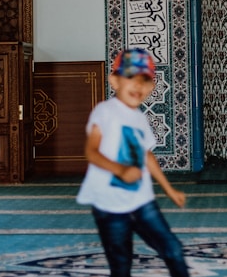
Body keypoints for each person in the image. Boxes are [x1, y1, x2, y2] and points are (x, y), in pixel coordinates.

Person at [76, 47, 190, 277]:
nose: (137, 86)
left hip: (142, 201)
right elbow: (92, 151)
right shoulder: (104, 111)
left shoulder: (139, 118)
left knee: (173, 250)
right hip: (110, 205)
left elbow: (147, 155)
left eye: (144, 81)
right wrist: (120, 170)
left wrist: (169, 190)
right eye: (130, 78)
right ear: (114, 81)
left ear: (150, 87)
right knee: (121, 265)